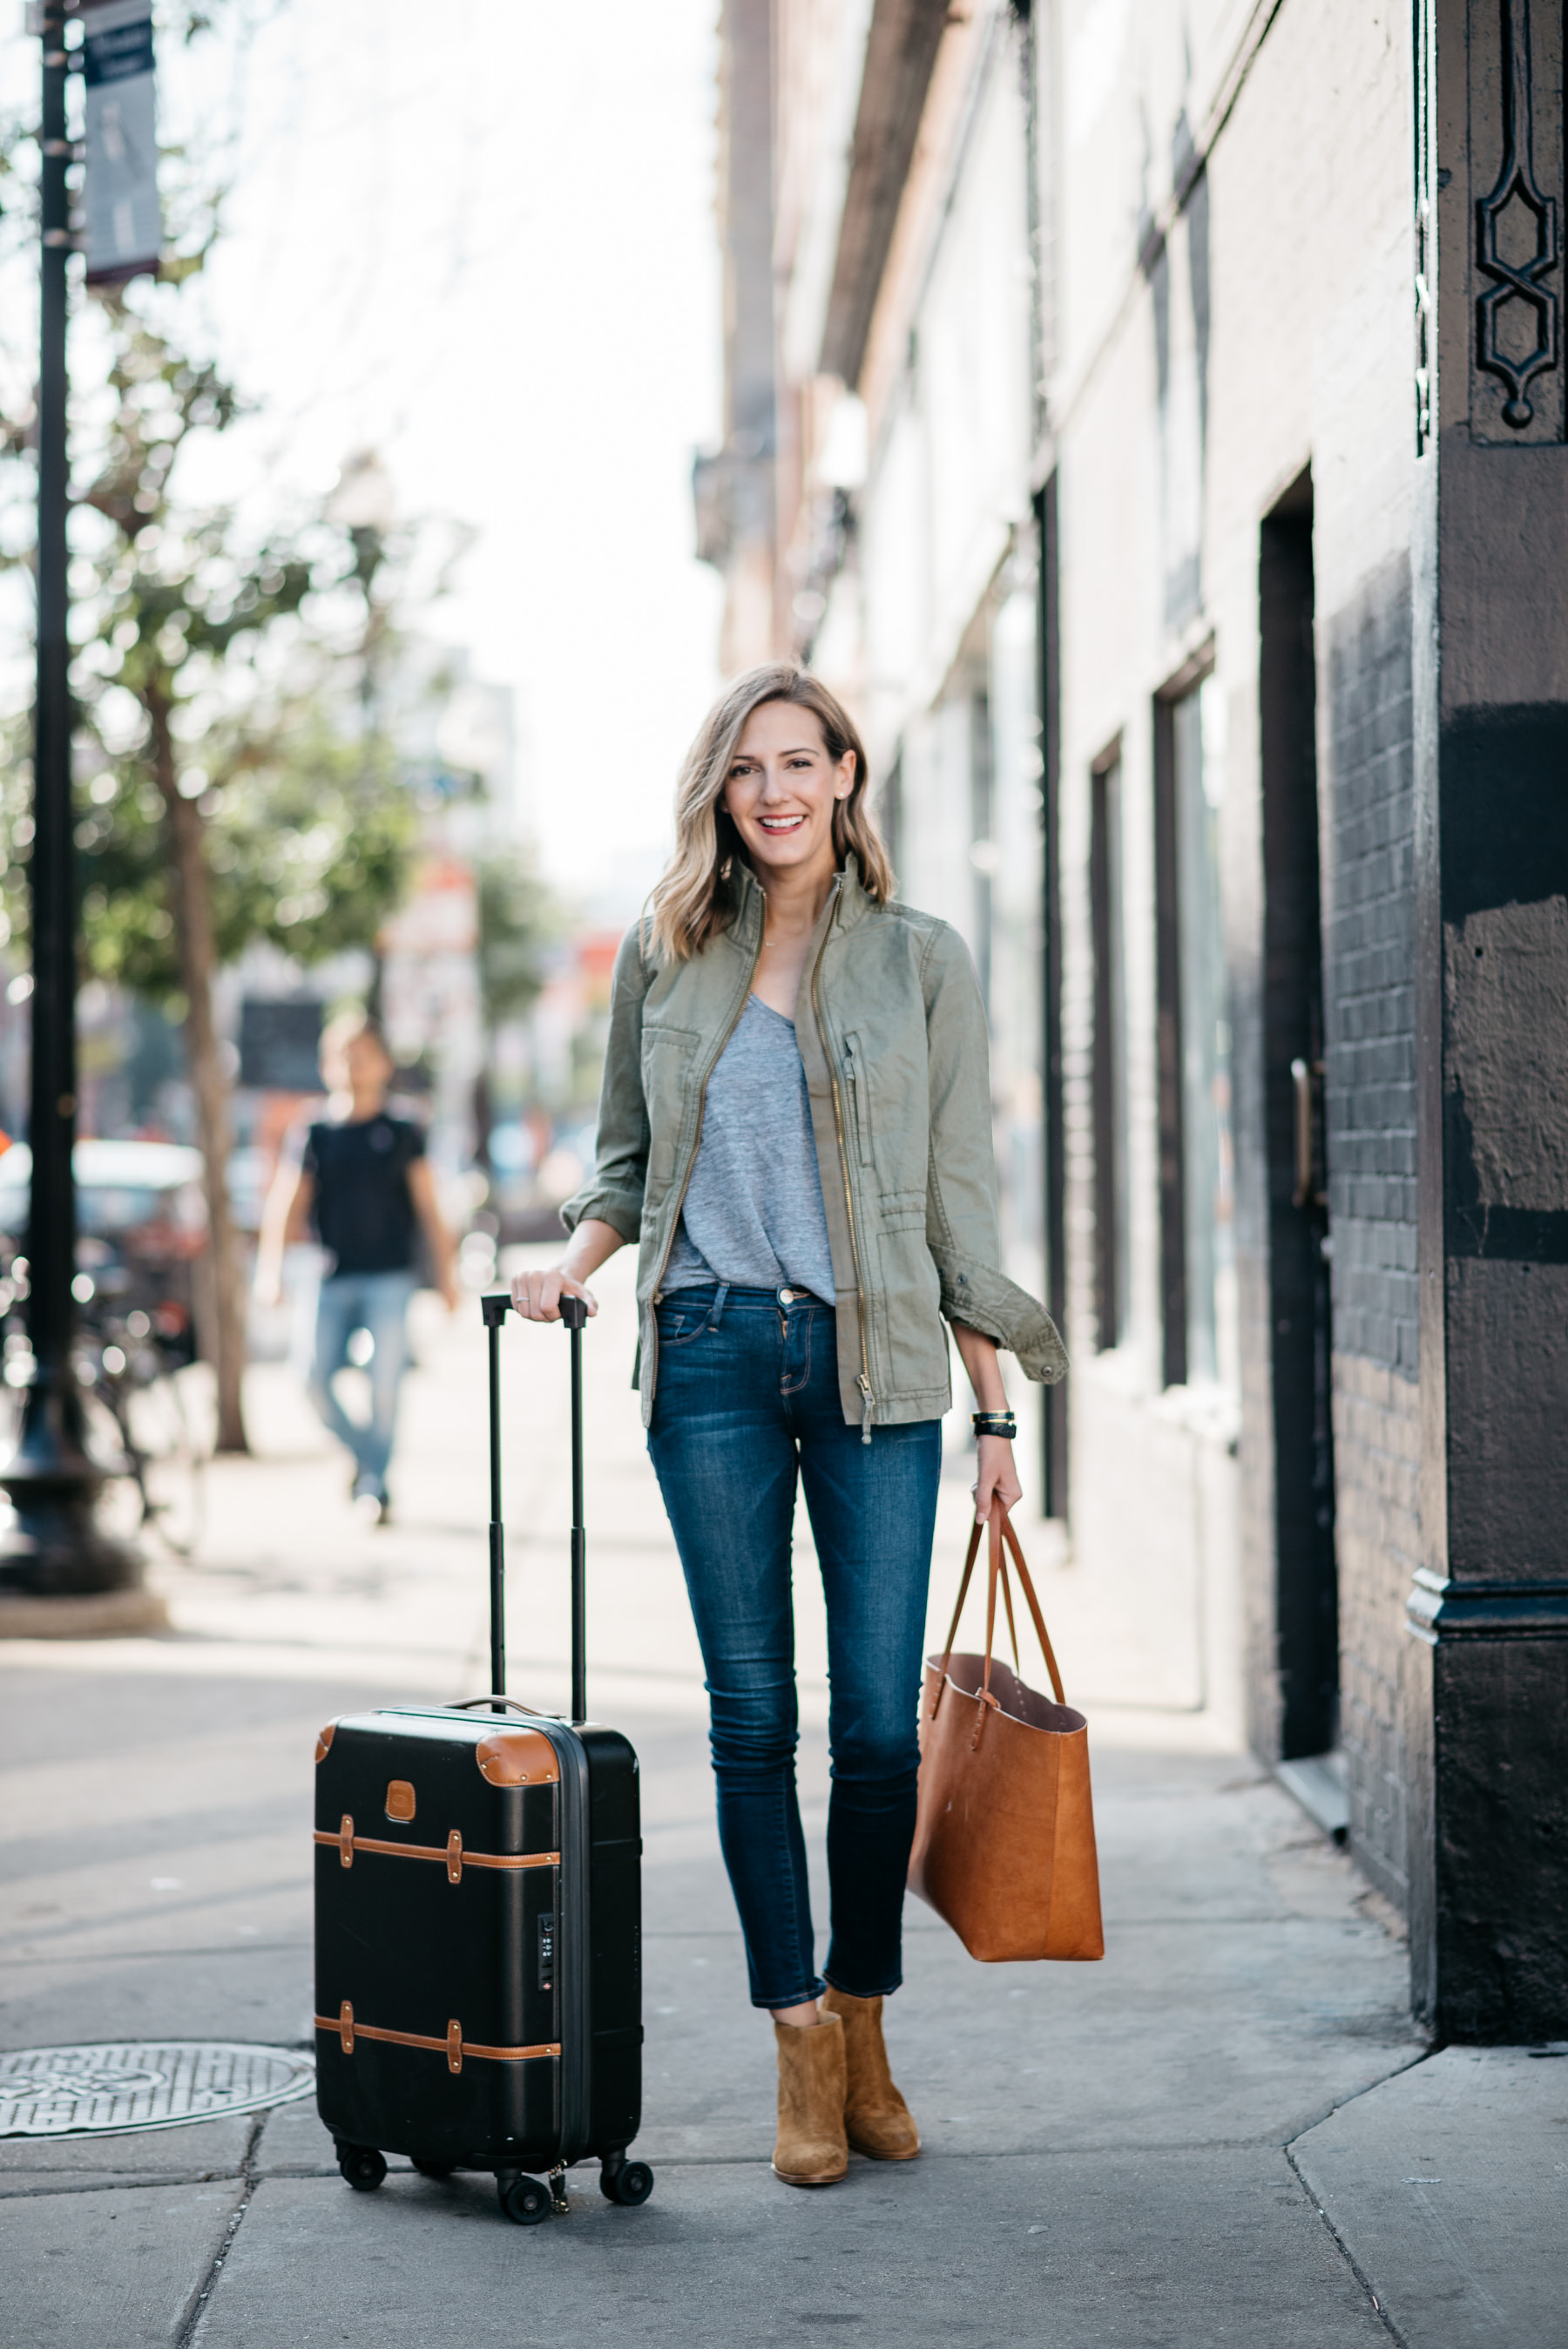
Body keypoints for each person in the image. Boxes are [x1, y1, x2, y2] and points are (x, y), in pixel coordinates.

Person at [511, 664, 1066, 2188]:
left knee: (879, 1725)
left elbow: (956, 1206)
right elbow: (626, 1161)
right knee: (753, 1719)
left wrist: (997, 1415)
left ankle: (869, 2012)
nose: (773, 789)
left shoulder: (922, 962)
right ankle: (799, 2045)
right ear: (721, 789)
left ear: (844, 775)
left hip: (878, 1366)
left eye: (798, 762)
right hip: (704, 1357)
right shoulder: (666, 952)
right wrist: (567, 1269)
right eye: (746, 766)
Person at [257, 1012, 458, 1524]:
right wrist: (270, 1269)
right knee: (310, 1378)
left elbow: (431, 1209)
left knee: (385, 1387)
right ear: (327, 1064)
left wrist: (447, 1277)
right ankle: (370, 1466)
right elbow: (286, 1202)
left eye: (362, 1053)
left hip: (390, 1278)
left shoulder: (403, 1129)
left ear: (383, 1063)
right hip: (328, 1276)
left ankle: (375, 1486)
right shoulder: (313, 1131)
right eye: (342, 1054)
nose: (352, 1064)